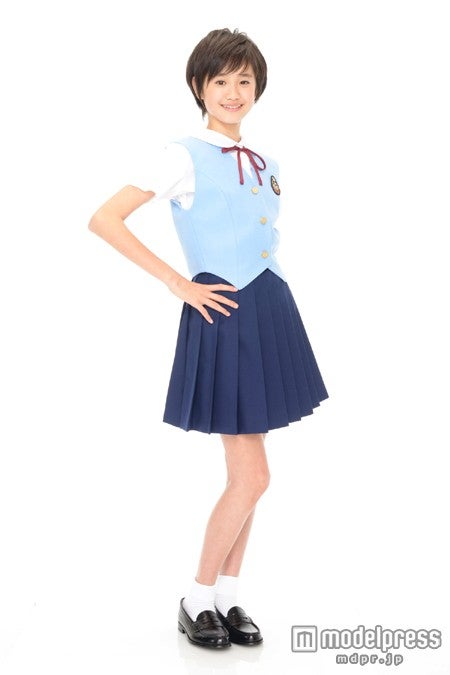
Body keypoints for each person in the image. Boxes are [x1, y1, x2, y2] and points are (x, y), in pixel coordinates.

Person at [88, 27, 329, 649]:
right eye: (220, 80)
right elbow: (105, 218)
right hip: (223, 313)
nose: (233, 91)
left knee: (249, 473)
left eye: (244, 80)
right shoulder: (181, 155)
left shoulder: (266, 161)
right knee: (254, 476)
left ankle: (226, 596)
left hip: (268, 308)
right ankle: (196, 599)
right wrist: (178, 282)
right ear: (199, 86)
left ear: (258, 88)